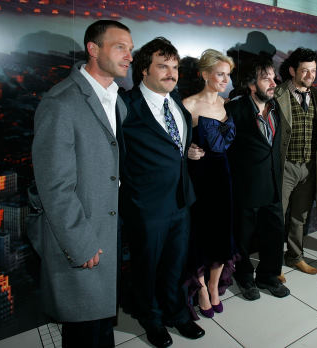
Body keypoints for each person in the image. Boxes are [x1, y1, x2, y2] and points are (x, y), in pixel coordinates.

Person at [29, 20, 133, 347]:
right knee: (83, 330)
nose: (129, 56)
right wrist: (79, 244)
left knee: (102, 324)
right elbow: (54, 186)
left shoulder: (118, 101)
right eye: (120, 47)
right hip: (82, 236)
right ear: (93, 49)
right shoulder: (60, 102)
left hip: (111, 230)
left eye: (131, 49)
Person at [119, 37, 204, 348]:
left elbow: (174, 148)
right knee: (146, 268)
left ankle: (177, 311)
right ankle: (151, 318)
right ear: (144, 70)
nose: (172, 73)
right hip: (145, 207)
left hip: (181, 202)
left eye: (175, 67)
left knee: (175, 265)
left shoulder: (177, 103)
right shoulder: (126, 107)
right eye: (163, 66)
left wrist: (188, 151)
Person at [226, 55, 290, 301]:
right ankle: (244, 277)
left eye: (274, 77)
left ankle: (269, 276)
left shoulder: (277, 108)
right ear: (252, 85)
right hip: (246, 188)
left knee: (275, 233)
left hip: (273, 186)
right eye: (266, 79)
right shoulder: (234, 109)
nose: (273, 82)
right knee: (243, 237)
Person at [182, 49, 238, 319]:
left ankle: (215, 286)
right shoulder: (187, 105)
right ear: (204, 74)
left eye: (228, 75)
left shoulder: (227, 104)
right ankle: (201, 289)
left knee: (222, 236)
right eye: (220, 74)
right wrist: (187, 152)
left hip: (224, 176)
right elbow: (174, 146)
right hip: (200, 178)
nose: (225, 79)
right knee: (201, 237)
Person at [274, 48, 317, 275]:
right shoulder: (278, 93)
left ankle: (295, 256)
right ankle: (273, 264)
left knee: (299, 216)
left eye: (313, 70)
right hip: (285, 167)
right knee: (278, 216)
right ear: (293, 70)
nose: (310, 75)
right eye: (305, 70)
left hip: (309, 167)